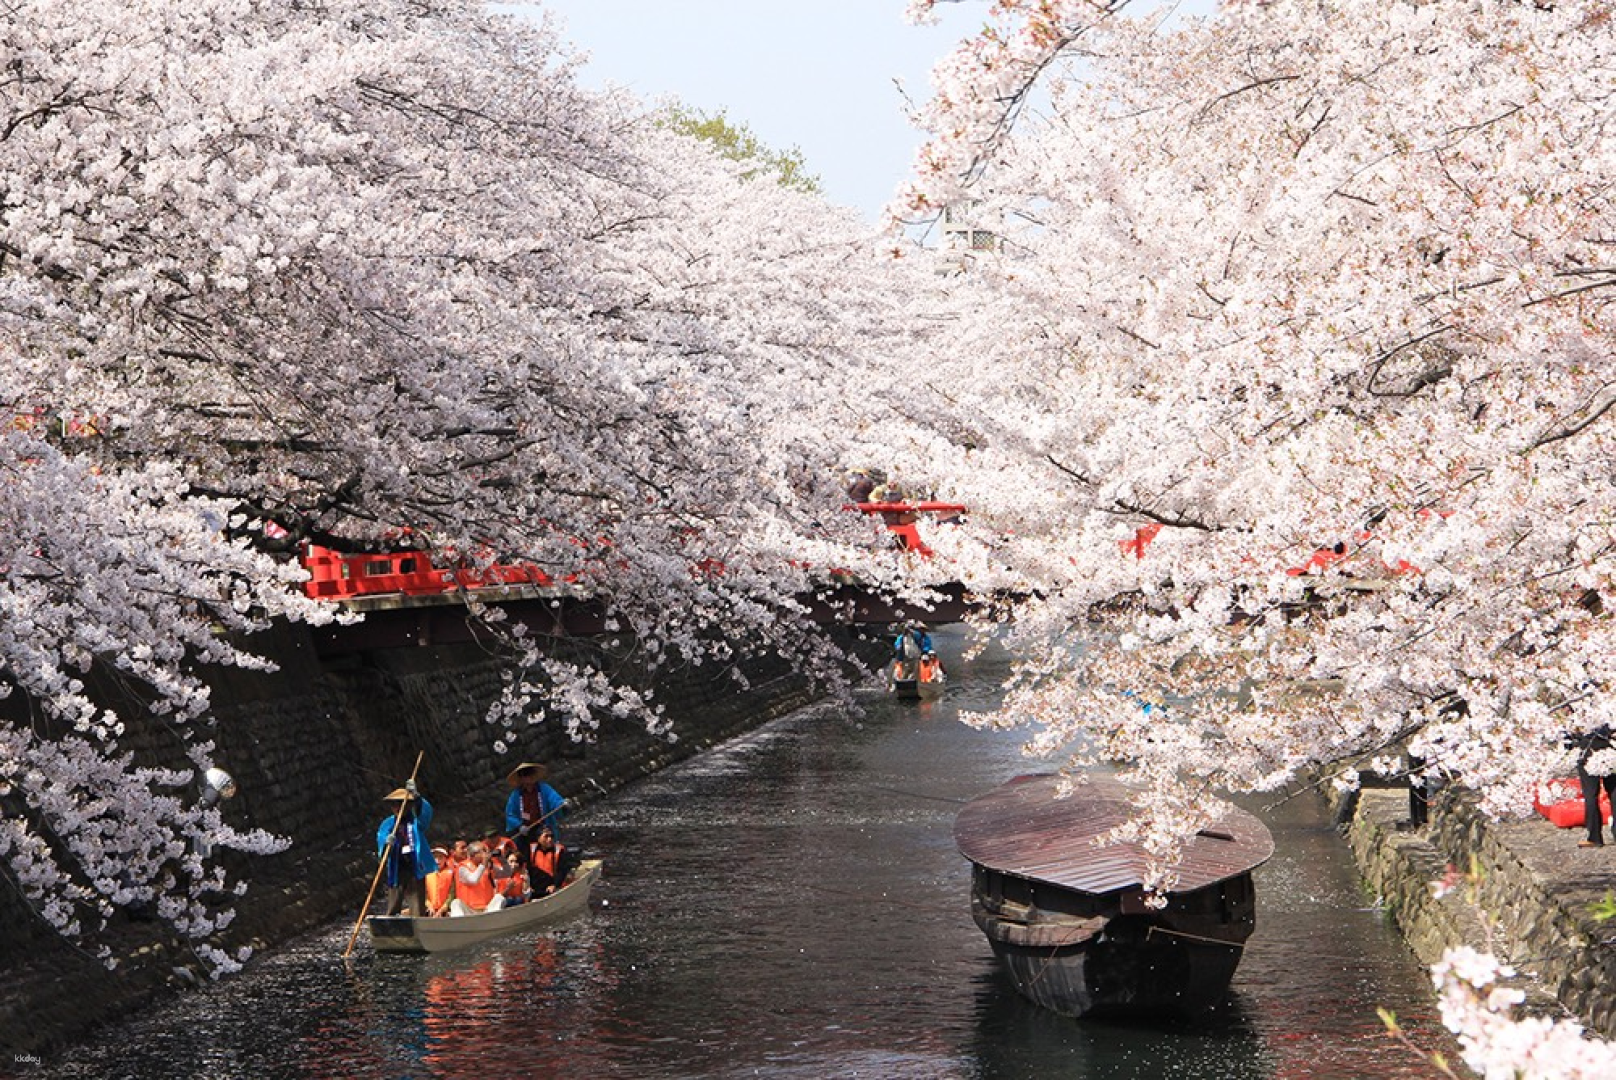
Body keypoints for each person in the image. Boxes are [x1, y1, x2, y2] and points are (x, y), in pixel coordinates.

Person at [376, 781, 438, 917]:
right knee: (394, 901)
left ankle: (419, 928)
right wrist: (387, 843)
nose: (397, 807)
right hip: (397, 867)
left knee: (417, 904)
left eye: (400, 803)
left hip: (414, 866)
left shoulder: (416, 822)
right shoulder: (388, 824)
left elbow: (426, 814)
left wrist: (417, 797)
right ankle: (390, 927)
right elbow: (381, 840)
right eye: (394, 804)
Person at [506, 762, 566, 870]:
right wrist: (519, 826)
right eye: (525, 775)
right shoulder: (516, 795)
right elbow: (510, 814)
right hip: (524, 830)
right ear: (521, 778)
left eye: (530, 774)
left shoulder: (544, 789)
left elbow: (554, 800)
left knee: (546, 848)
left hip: (542, 826)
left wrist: (561, 804)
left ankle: (550, 872)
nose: (528, 777)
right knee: (524, 854)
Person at [1575, 725, 1616, 848]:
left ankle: (1594, 837)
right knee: (1614, 793)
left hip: (1588, 750)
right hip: (1611, 749)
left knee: (1591, 796)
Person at [447, 841, 506, 917]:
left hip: (486, 910)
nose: (485, 855)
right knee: (455, 902)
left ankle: (493, 920)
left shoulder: (488, 866)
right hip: (469, 911)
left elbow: (506, 873)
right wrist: (483, 864)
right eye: (483, 851)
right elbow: (473, 880)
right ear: (473, 855)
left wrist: (501, 859)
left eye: (486, 851)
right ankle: (460, 924)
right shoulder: (462, 867)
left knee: (499, 897)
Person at [526, 826, 578, 898]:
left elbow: (562, 871)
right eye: (546, 836)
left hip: (552, 884)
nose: (550, 839)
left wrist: (555, 885)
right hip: (535, 885)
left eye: (551, 836)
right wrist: (527, 885)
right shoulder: (531, 849)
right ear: (538, 838)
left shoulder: (559, 850)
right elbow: (526, 868)